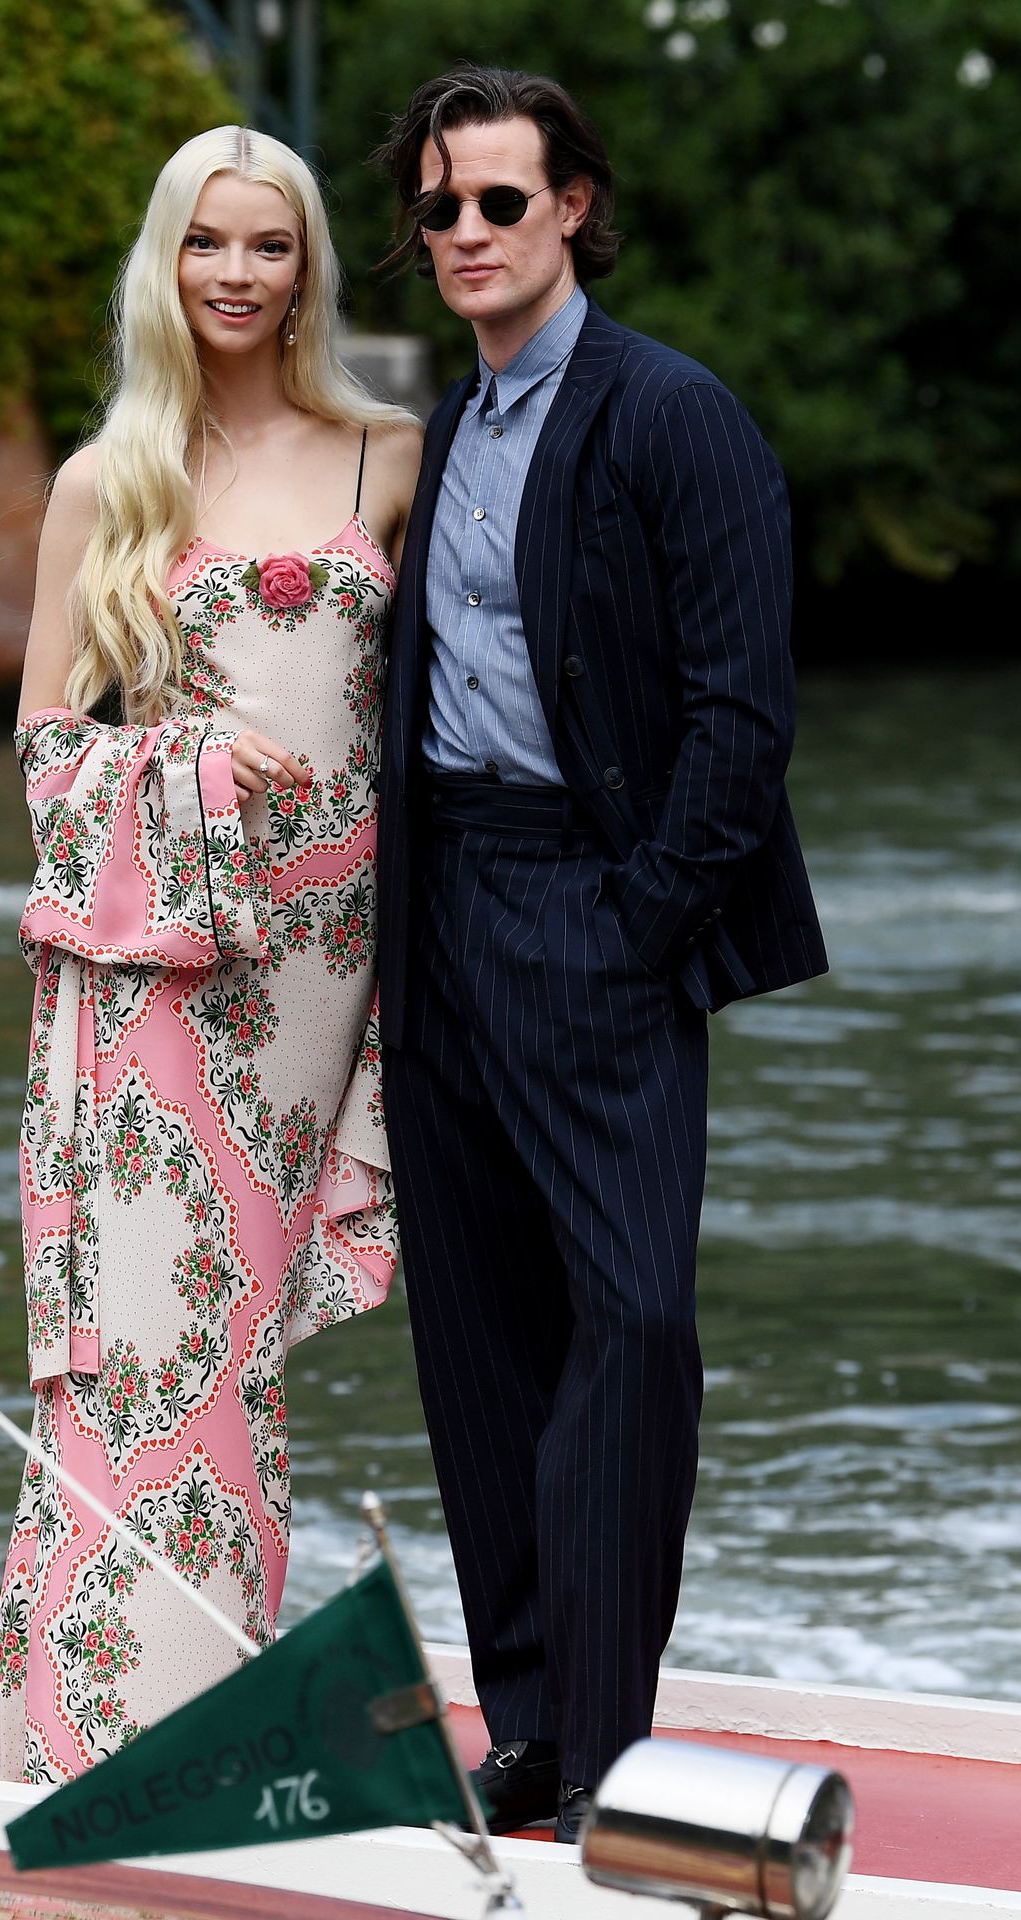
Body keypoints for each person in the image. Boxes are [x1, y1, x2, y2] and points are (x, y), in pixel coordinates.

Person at [373, 65, 827, 1841]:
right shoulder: (440, 432)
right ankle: (536, 1730)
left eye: (501, 200)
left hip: (598, 908)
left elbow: (744, 714)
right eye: (440, 208)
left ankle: (619, 1749)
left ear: (573, 206)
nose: (469, 233)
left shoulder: (674, 413)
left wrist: (639, 926)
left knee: (630, 1326)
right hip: (443, 918)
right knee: (480, 1348)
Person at [0, 125, 422, 1784]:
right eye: (207, 245)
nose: (238, 276)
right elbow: (39, 743)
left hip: (323, 978)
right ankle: (105, 1735)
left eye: (273, 246)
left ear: (308, 265)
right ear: (165, 261)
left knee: (236, 1344)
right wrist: (205, 786)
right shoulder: (112, 480)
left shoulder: (389, 453)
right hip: (163, 964)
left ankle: (205, 1708)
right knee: (150, 1336)